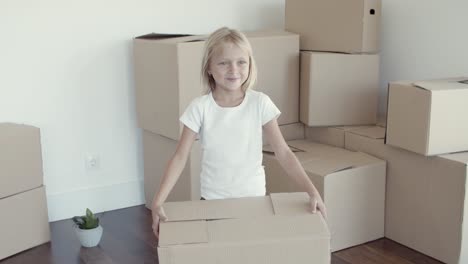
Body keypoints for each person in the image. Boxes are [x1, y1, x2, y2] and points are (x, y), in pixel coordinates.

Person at [151, 27, 327, 238]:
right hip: (213, 200)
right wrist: (158, 201)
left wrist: (312, 190)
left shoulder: (260, 103)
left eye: (241, 62)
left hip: (253, 199)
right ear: (209, 67)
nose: (233, 70)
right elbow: (180, 157)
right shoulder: (200, 108)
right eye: (224, 63)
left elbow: (284, 153)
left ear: (250, 65)